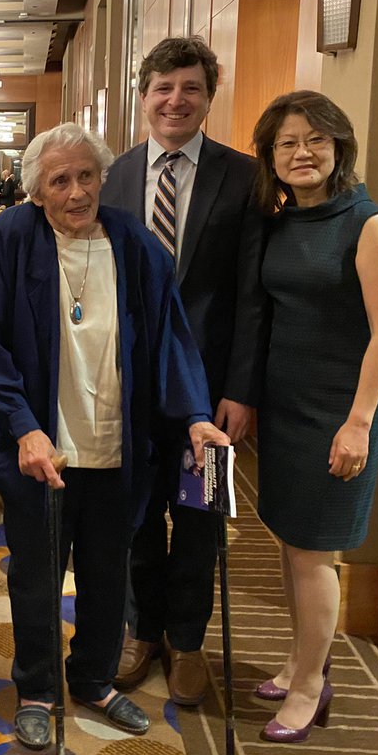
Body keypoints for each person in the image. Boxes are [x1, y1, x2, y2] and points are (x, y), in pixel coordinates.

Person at [0, 122, 228, 751]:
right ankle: (36, 686)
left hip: (116, 444)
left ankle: (90, 677)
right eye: (60, 180)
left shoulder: (134, 242)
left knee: (108, 573)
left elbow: (170, 335)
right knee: (35, 574)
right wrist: (24, 428)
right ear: (36, 191)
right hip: (40, 451)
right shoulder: (12, 237)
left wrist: (195, 412)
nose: (77, 191)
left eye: (87, 175)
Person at [100, 35, 268, 706]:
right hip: (131, 388)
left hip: (209, 394)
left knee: (200, 519)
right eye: (163, 87)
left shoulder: (244, 176)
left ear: (208, 97)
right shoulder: (112, 176)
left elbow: (255, 295)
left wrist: (241, 389)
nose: (176, 99)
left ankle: (188, 640)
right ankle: (142, 629)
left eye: (190, 88)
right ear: (144, 97)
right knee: (137, 512)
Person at [250, 90, 378, 743]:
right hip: (284, 408)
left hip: (337, 412)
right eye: (287, 142)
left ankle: (313, 686)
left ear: (338, 146)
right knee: (290, 542)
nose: (301, 152)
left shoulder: (368, 224)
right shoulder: (285, 221)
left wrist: (360, 421)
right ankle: (297, 660)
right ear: (272, 156)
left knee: (316, 552)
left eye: (315, 139)